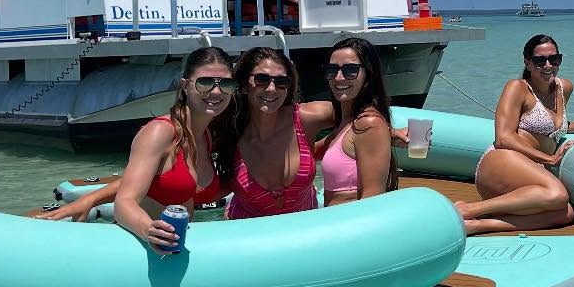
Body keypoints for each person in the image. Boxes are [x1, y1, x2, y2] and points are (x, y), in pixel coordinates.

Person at [461, 34, 574, 235]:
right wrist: (549, 159)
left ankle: (478, 225)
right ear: (527, 63)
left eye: (554, 59)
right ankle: (468, 209)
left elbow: (548, 126)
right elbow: (503, 138)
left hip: (532, 171)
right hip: (503, 162)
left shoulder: (564, 88)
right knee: (558, 195)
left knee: (566, 213)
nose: (548, 65)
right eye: (540, 61)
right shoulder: (517, 88)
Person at [110, 46, 237, 251]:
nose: (216, 91)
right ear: (185, 86)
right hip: (144, 247)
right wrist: (149, 230)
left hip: (175, 249)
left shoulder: (205, 136)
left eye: (226, 84)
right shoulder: (161, 132)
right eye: (204, 83)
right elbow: (124, 202)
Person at [224, 47, 335, 219]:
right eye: (262, 79)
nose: (271, 88)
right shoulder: (228, 131)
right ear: (245, 85)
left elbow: (357, 111)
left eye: (281, 82)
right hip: (247, 234)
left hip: (304, 232)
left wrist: (391, 133)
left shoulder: (304, 118)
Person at [312, 36, 398, 206]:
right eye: (331, 70)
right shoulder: (348, 122)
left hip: (347, 226)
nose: (338, 77)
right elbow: (309, 153)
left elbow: (371, 199)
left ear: (368, 73)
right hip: (334, 220)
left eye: (350, 70)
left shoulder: (369, 125)